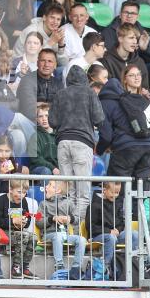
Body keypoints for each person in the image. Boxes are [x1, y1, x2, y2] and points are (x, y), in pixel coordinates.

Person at [48, 65, 104, 219]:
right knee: (83, 193)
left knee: (69, 191)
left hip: (63, 143)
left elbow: (52, 121)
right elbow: (100, 119)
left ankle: (68, 230)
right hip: (82, 142)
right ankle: (77, 230)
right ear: (85, 79)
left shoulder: (60, 94)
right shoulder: (90, 93)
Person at [37, 179, 86, 275]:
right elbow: (38, 221)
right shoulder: (43, 204)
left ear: (57, 190)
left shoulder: (69, 203)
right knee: (58, 236)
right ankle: (59, 265)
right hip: (48, 235)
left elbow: (78, 219)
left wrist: (69, 218)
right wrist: (52, 219)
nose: (46, 187)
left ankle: (76, 268)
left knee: (82, 240)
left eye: (50, 185)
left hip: (65, 235)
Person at [87, 180, 134, 279]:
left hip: (115, 235)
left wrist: (118, 230)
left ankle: (133, 264)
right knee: (111, 238)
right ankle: (105, 268)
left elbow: (122, 222)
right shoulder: (94, 205)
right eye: (112, 192)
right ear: (104, 190)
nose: (115, 195)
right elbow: (91, 226)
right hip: (98, 236)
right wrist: (109, 232)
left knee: (134, 235)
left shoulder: (117, 204)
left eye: (117, 193)